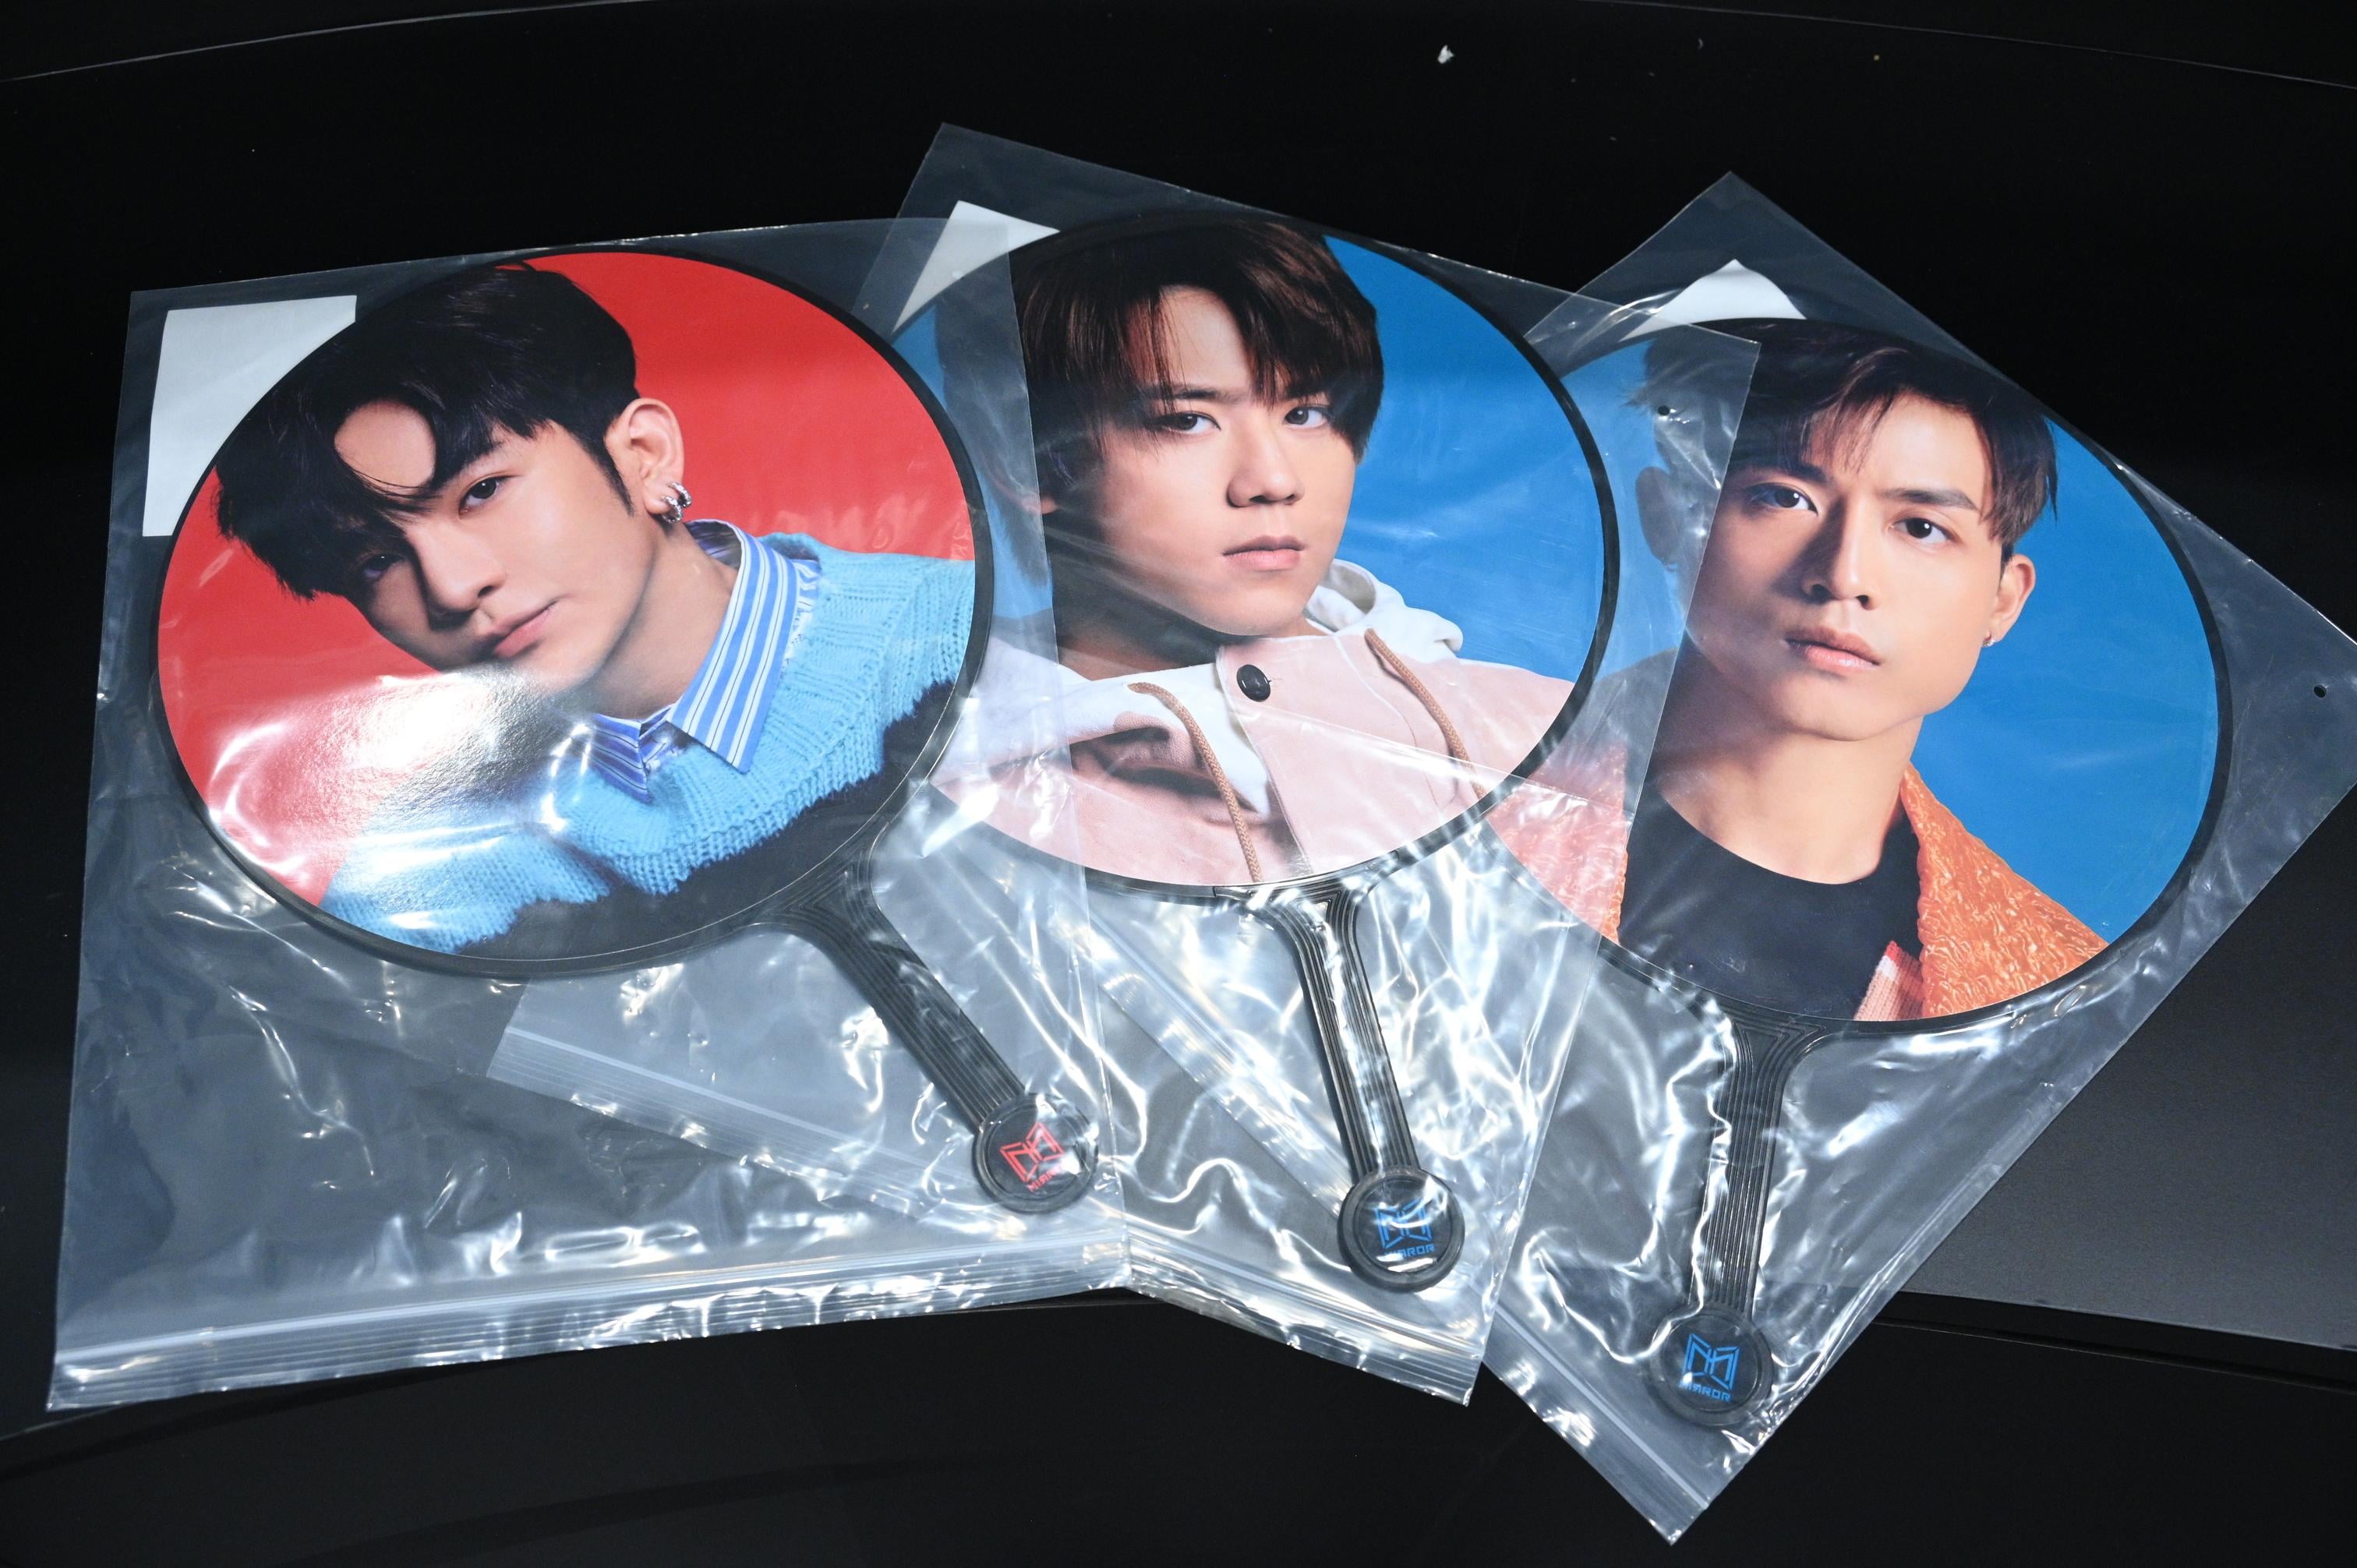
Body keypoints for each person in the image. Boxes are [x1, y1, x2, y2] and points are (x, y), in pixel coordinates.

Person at [211, 262, 974, 959]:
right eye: (375, 562)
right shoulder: (410, 885)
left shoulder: (965, 633)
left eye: (482, 492)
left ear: (643, 454)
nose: (451, 587)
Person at [1493, 317, 2104, 1021]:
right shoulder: (1450, 765)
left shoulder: (2059, 987)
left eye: (1921, 528)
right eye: (1784, 497)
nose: (1844, 576)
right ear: (1667, 517)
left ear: (2003, 600)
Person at [941, 217, 1571, 884]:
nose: (1273, 480)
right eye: (1187, 420)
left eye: (1305, 413)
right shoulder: (945, 794)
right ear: (1029, 462)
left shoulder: (1546, 731)